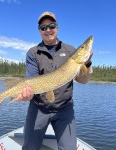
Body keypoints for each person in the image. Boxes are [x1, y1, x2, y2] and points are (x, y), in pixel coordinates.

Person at [16, 11, 93, 150]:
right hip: (39, 108)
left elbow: (83, 80)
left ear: (57, 27)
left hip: (64, 109)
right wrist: (27, 95)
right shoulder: (33, 53)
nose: (48, 30)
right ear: (39, 31)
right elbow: (31, 81)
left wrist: (86, 64)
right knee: (29, 147)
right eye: (43, 27)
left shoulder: (70, 51)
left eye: (51, 26)